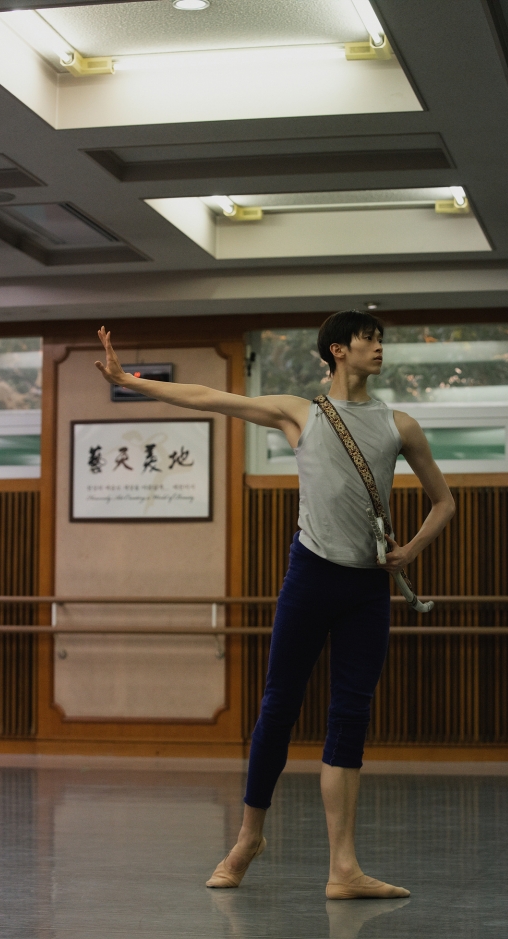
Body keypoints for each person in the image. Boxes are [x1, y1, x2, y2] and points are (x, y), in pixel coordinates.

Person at [95, 311, 455, 899]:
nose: (379, 347)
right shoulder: (301, 413)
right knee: (278, 709)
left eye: (381, 339)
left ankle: (344, 868)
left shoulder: (400, 424)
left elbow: (443, 502)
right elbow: (210, 395)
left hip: (367, 589)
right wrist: (132, 381)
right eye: (368, 339)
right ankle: (247, 838)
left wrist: (410, 551)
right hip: (310, 578)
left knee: (350, 717)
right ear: (337, 350)